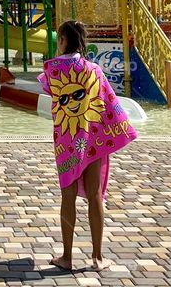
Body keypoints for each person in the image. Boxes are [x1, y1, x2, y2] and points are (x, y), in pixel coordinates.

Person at [38, 21, 137, 272]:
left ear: (62, 39)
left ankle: (67, 257)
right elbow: (108, 101)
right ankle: (98, 257)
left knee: (67, 197)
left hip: (67, 142)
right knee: (95, 197)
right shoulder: (94, 70)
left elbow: (48, 89)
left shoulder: (52, 70)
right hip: (94, 139)